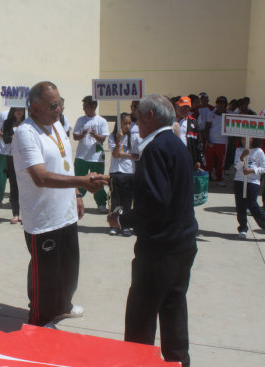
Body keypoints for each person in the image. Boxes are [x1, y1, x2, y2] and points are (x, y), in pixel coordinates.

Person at [107, 94, 198, 367]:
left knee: (140, 317)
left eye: (137, 118)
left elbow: (155, 204)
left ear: (150, 117)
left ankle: (136, 362)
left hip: (159, 250)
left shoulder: (156, 148)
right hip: (182, 245)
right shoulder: (177, 144)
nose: (135, 123)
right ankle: (178, 360)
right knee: (173, 307)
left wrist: (123, 219)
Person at [12, 81, 108, 328]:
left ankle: (63, 307)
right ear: (34, 108)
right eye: (53, 105)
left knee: (67, 269)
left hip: (65, 214)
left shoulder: (57, 126)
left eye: (61, 103)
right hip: (43, 219)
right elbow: (41, 177)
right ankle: (39, 319)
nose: (59, 110)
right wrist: (84, 182)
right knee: (45, 276)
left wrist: (76, 193)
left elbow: (65, 163)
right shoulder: (26, 133)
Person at [233, 137, 265, 241]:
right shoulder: (239, 150)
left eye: (247, 139)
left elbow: (264, 167)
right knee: (240, 205)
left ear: (253, 139)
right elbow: (236, 167)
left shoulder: (258, 151)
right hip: (239, 180)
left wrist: (252, 170)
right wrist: (242, 158)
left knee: (252, 205)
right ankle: (243, 229)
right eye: (242, 139)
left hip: (253, 182)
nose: (244, 141)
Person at [73, 95, 110, 212]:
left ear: (93, 106)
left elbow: (103, 139)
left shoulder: (101, 121)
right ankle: (76, 202)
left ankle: (101, 203)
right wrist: (82, 134)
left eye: (85, 106)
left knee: (98, 181)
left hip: (96, 156)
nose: (83, 109)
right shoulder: (81, 120)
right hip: (81, 156)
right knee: (79, 180)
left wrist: (95, 135)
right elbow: (75, 136)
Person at [108, 112, 140, 236]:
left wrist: (125, 155)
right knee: (116, 201)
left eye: (129, 123)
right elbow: (115, 154)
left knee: (127, 201)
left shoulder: (134, 138)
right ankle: (114, 224)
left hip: (129, 172)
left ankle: (125, 225)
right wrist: (119, 142)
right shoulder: (113, 137)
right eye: (125, 123)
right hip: (116, 172)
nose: (127, 126)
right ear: (119, 123)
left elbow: (136, 156)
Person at [2, 107, 25, 224]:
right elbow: (5, 139)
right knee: (14, 186)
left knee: (26, 186)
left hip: (25, 157)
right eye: (16, 109)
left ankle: (26, 215)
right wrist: (12, 137)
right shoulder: (7, 123)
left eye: (21, 109)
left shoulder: (28, 122)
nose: (19, 111)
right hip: (11, 157)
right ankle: (16, 214)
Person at [203, 96, 229, 186]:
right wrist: (208, 140)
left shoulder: (229, 115)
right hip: (211, 142)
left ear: (226, 105)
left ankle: (219, 179)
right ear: (216, 104)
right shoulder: (211, 114)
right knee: (209, 162)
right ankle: (207, 178)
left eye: (223, 103)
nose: (221, 105)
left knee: (221, 163)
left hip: (223, 142)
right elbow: (207, 128)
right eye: (219, 103)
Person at [174, 96, 204, 170]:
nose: (185, 110)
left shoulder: (193, 122)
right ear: (176, 107)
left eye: (187, 108)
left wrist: (199, 160)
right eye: (182, 108)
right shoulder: (169, 121)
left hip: (187, 158)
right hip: (172, 157)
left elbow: (199, 142)